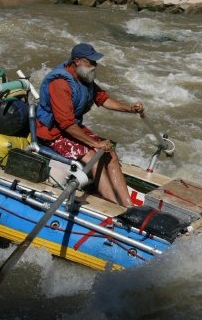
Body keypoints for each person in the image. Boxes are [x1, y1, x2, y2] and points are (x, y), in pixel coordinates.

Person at [36, 43, 144, 207]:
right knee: (93, 156)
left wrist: (129, 109)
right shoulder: (60, 84)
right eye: (90, 62)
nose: (94, 66)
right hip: (53, 133)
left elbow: (104, 100)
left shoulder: (84, 79)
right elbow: (66, 124)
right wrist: (95, 143)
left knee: (110, 153)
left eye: (95, 62)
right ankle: (112, 205)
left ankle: (127, 205)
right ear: (77, 61)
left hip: (71, 129)